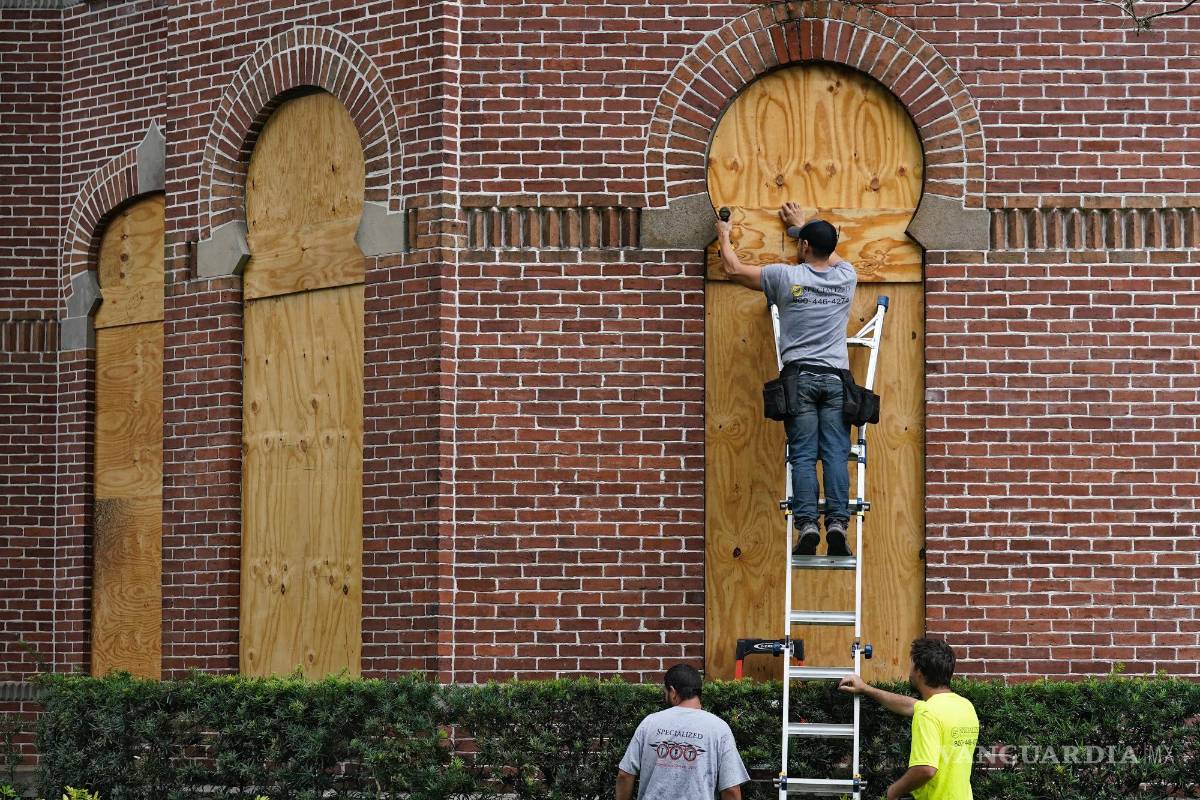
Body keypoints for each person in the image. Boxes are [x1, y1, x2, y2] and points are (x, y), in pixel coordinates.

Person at [715, 202, 857, 557]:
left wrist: (724, 234)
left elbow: (732, 269)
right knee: (836, 454)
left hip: (800, 380)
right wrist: (802, 228)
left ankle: (807, 525)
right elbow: (830, 254)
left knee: (804, 455)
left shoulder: (785, 277)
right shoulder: (847, 276)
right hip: (836, 381)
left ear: (805, 247)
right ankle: (837, 525)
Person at [838, 638, 980, 800]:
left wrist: (894, 790)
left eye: (912, 664)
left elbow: (926, 769)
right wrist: (866, 689)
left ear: (919, 670)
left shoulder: (928, 713)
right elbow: (909, 705)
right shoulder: (965, 706)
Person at [616, 664, 750, 800]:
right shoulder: (719, 728)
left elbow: (624, 775)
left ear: (673, 692)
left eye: (666, 692)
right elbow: (731, 790)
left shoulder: (650, 723)